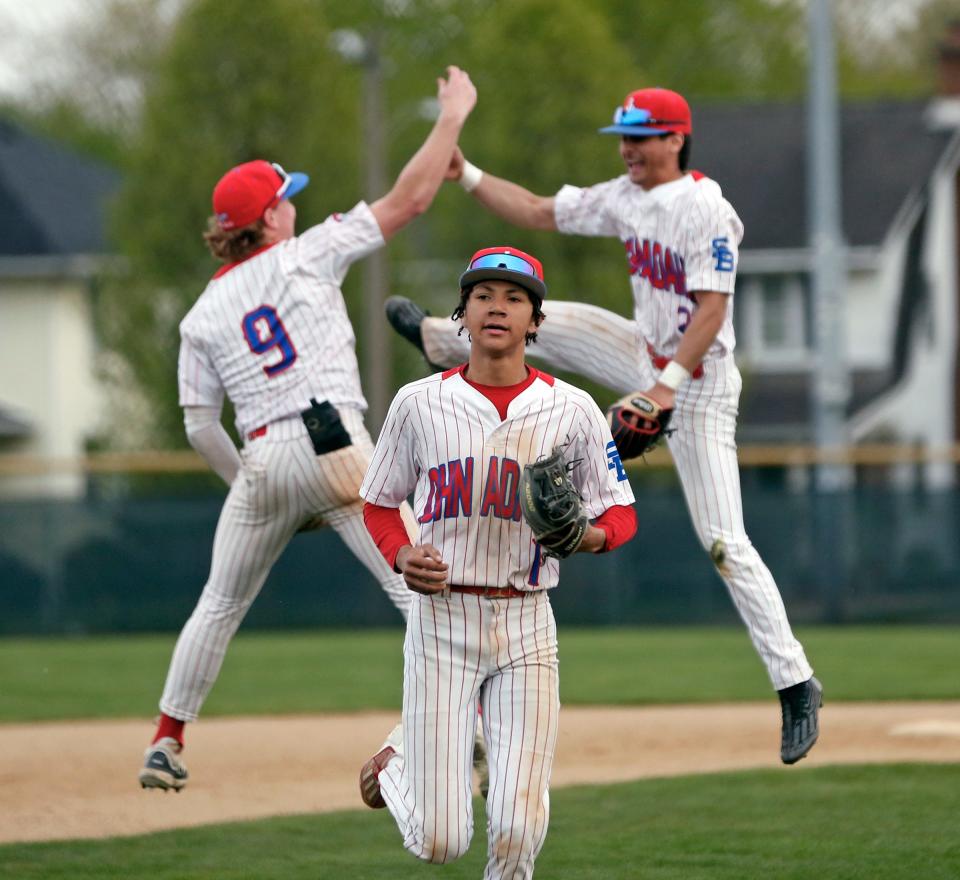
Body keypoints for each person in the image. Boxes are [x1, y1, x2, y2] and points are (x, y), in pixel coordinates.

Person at [385, 87, 822, 765]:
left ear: (676, 139)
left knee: (724, 544)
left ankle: (795, 682)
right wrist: (465, 175)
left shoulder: (706, 208)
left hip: (698, 382)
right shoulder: (625, 194)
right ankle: (439, 339)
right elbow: (535, 210)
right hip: (639, 351)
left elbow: (711, 311)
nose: (628, 148)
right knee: (525, 319)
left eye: (641, 137)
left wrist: (664, 391)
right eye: (623, 135)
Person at [137, 67, 478, 792]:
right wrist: (451, 117)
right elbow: (411, 198)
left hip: (260, 456)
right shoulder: (306, 253)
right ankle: (467, 726)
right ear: (267, 221)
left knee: (219, 604)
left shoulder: (199, 315)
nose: (293, 206)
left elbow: (200, 426)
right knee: (422, 591)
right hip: (337, 446)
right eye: (284, 199)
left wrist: (250, 488)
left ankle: (167, 740)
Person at [358, 247, 637, 876]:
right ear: (463, 312)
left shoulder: (574, 410)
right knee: (440, 841)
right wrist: (401, 553)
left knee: (519, 824)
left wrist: (587, 538)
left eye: (514, 298)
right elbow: (377, 503)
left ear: (535, 320)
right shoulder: (417, 403)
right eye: (483, 294)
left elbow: (621, 512)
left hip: (528, 623)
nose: (497, 307)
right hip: (441, 620)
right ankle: (395, 764)